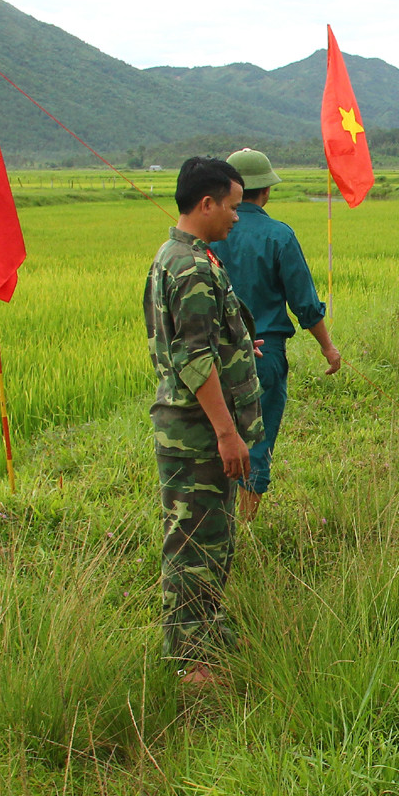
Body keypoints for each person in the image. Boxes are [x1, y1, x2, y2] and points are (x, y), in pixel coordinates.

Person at [145, 156, 263, 684]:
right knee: (194, 546)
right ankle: (193, 665)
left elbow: (201, 344)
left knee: (211, 541)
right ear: (207, 203)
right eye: (233, 207)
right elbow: (193, 360)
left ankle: (206, 637)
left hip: (195, 431)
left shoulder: (182, 255)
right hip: (197, 436)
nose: (238, 217)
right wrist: (227, 433)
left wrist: (240, 346)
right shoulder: (190, 266)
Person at [214, 149, 343, 523]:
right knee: (257, 439)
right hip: (263, 354)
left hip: (213, 355)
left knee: (216, 436)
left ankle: (215, 523)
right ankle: (245, 526)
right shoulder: (279, 236)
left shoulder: (209, 234)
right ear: (266, 191)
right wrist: (328, 348)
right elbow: (304, 304)